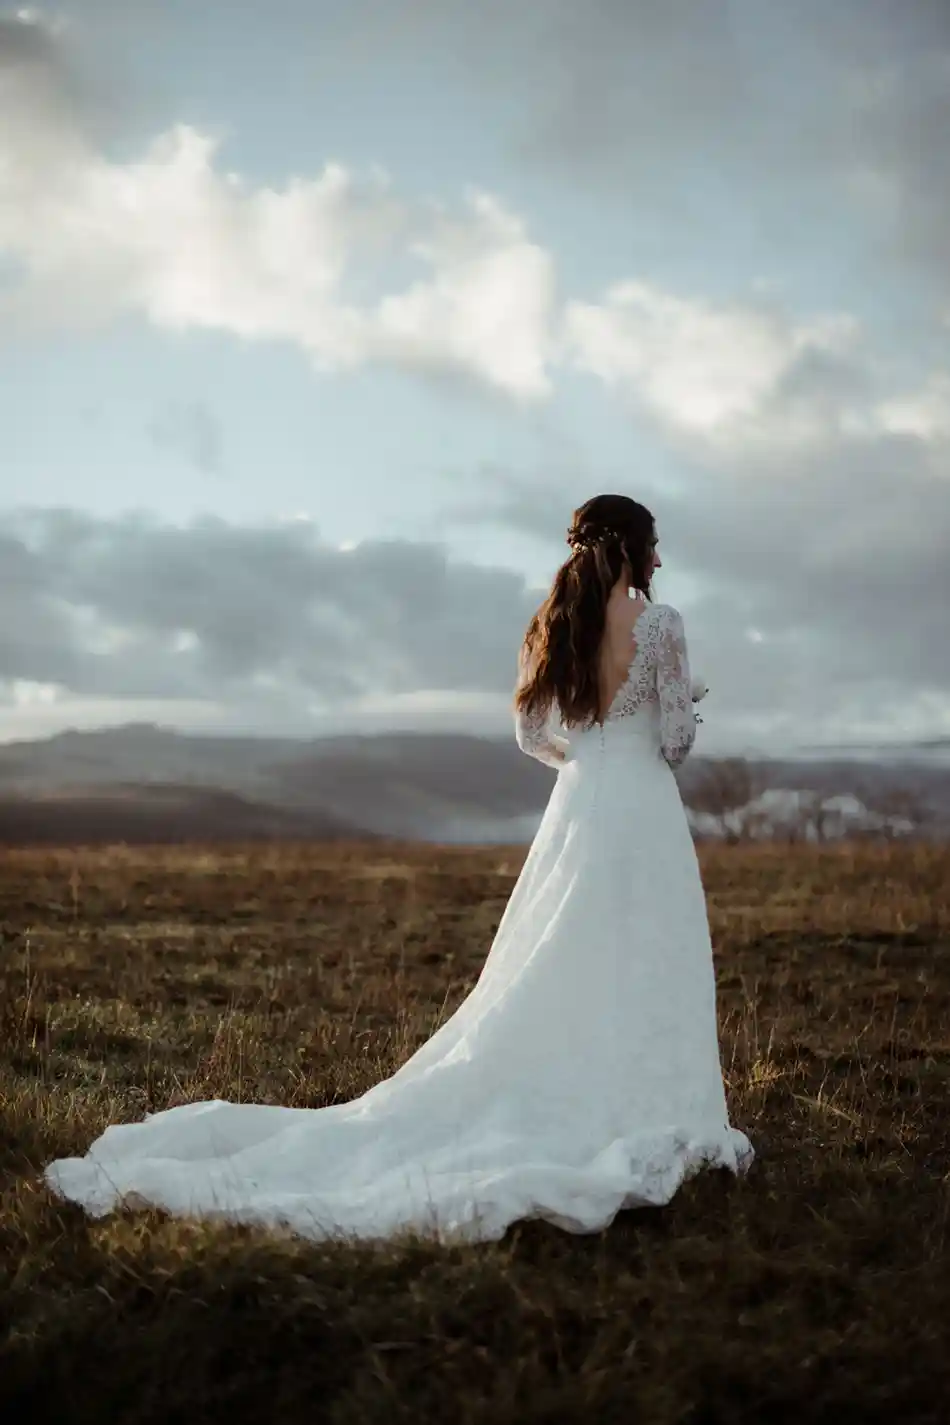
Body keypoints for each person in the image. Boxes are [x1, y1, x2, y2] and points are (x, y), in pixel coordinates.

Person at [44, 494, 752, 1244]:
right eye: (656, 545)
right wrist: (688, 701)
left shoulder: (557, 623)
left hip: (578, 808)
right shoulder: (661, 626)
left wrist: (581, 760)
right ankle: (645, 1099)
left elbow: (527, 733)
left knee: (561, 957)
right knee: (645, 955)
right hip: (640, 808)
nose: (662, 560)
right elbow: (674, 741)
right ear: (633, 550)